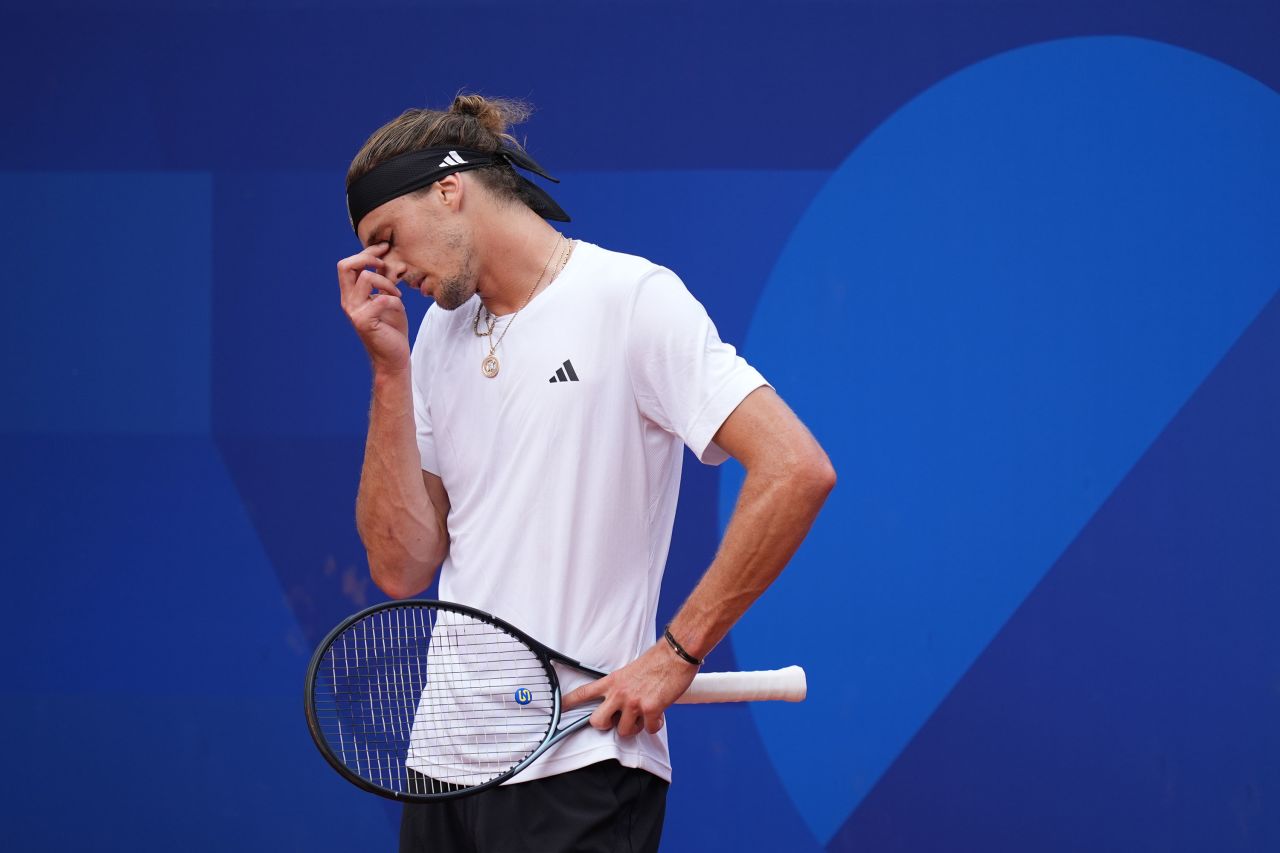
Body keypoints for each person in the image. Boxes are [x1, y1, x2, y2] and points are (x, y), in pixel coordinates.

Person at [336, 94, 835, 853]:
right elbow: (401, 565)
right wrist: (387, 371)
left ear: (448, 189)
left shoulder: (630, 300)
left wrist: (677, 652)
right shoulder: (432, 338)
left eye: (387, 238)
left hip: (580, 763)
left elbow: (796, 468)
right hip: (442, 770)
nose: (387, 269)